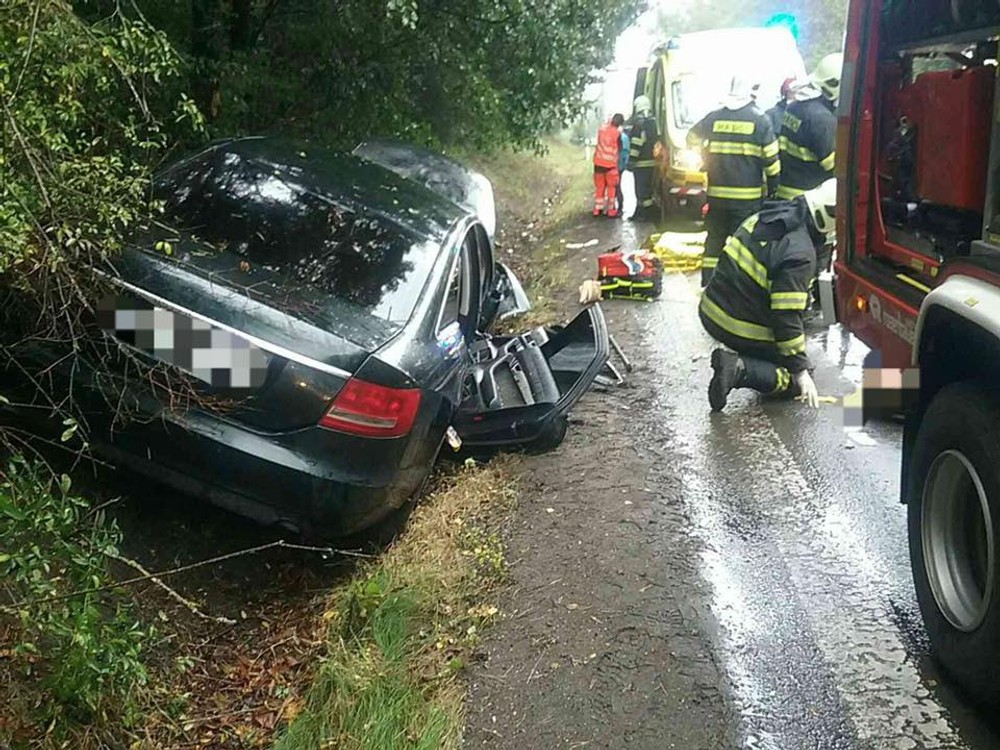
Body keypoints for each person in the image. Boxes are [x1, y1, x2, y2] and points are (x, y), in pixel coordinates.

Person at [699, 178, 837, 412]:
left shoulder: (771, 214)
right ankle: (739, 368)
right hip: (736, 324)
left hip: (711, 309)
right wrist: (800, 370)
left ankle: (748, 359)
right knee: (797, 377)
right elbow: (786, 316)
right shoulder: (801, 254)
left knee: (789, 353)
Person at [687, 75, 779, 287]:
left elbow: (690, 138)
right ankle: (739, 288)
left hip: (717, 197)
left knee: (714, 241)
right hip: (747, 200)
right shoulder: (761, 120)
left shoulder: (714, 118)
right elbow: (772, 162)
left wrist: (705, 156)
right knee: (744, 246)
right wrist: (774, 188)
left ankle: (708, 284)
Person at [776, 53, 842, 199]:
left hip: (784, 193)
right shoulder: (822, 119)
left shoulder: (794, 106)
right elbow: (835, 167)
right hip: (806, 198)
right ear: (835, 84)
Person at [628, 95, 659, 220]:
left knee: (641, 190)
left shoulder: (639, 124)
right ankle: (639, 213)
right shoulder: (653, 122)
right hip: (651, 162)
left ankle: (646, 214)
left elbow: (636, 143)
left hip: (641, 163)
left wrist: (631, 160)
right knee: (646, 189)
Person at [592, 113, 625, 218]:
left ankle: (597, 209)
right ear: (620, 124)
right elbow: (620, 148)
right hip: (611, 165)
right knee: (611, 188)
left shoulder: (601, 129)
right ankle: (611, 211)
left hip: (598, 164)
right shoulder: (617, 133)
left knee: (600, 187)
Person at [616, 122, 631, 217]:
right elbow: (626, 152)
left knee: (616, 186)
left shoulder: (621, 137)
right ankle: (619, 207)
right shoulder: (625, 137)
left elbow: (624, 153)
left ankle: (619, 207)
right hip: (619, 165)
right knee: (617, 186)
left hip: (616, 165)